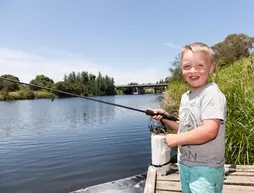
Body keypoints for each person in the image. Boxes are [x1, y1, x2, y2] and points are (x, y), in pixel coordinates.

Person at [149, 42, 227, 193]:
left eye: (199, 65)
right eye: (187, 66)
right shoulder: (186, 97)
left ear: (211, 68)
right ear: (181, 70)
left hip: (206, 169)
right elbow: (185, 127)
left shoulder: (211, 93)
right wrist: (164, 117)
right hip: (184, 164)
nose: (193, 70)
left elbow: (210, 131)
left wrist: (176, 140)